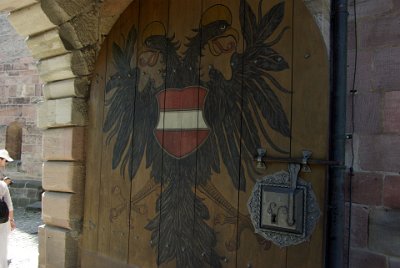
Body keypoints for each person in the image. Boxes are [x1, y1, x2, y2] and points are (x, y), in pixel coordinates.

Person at [0, 149, 15, 268]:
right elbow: (9, 204)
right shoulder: (3, 185)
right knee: (2, 244)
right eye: (5, 160)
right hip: (1, 219)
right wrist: (11, 220)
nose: (5, 163)